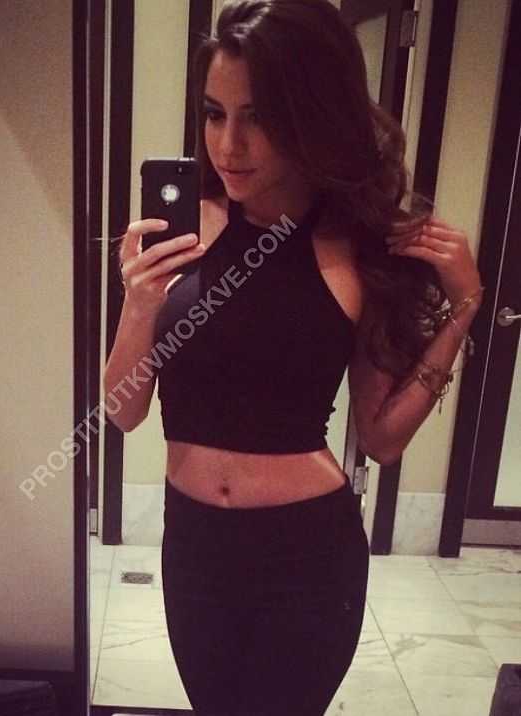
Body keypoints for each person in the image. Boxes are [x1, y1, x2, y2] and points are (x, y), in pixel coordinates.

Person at [103, 1, 484, 714]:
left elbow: (381, 438)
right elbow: (122, 412)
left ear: (313, 116)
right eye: (215, 114)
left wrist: (463, 308)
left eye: (260, 118)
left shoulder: (355, 245)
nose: (229, 144)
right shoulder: (180, 231)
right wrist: (138, 302)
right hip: (195, 550)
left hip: (307, 561)